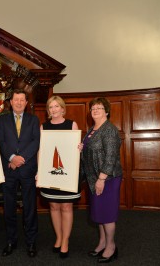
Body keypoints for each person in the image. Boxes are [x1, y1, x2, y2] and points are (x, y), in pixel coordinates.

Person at [0, 89, 40, 258]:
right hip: (9, 169)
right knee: (9, 207)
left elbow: (36, 141)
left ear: (26, 103)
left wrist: (21, 158)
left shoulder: (33, 120)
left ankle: (31, 242)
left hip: (28, 169)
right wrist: (12, 158)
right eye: (16, 100)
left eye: (22, 100)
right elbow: (1, 142)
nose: (19, 102)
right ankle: (11, 240)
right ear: (11, 102)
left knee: (30, 207)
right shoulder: (3, 120)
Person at [80, 97, 123, 263]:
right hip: (93, 178)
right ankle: (102, 242)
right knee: (99, 214)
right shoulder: (92, 129)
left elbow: (111, 157)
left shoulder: (109, 130)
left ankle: (111, 246)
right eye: (92, 108)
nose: (95, 111)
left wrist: (101, 178)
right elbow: (91, 150)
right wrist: (81, 148)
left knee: (108, 214)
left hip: (107, 179)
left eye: (99, 108)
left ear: (106, 111)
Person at [39, 96, 81, 259]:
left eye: (57, 106)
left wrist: (79, 147)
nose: (54, 109)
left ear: (62, 108)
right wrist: (39, 171)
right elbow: (41, 151)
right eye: (51, 107)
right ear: (48, 110)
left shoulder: (72, 124)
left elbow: (75, 149)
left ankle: (65, 240)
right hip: (49, 174)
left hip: (68, 174)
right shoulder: (44, 127)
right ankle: (58, 237)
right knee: (54, 207)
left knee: (66, 207)